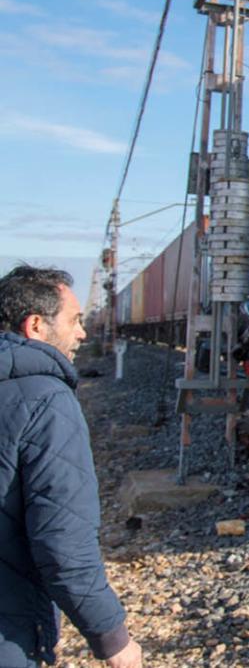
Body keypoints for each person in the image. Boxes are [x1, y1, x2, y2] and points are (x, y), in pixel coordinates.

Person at [0, 266, 143, 667]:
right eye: (75, 321)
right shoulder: (46, 399)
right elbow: (62, 541)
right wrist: (111, 638)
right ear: (36, 326)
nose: (82, 333)